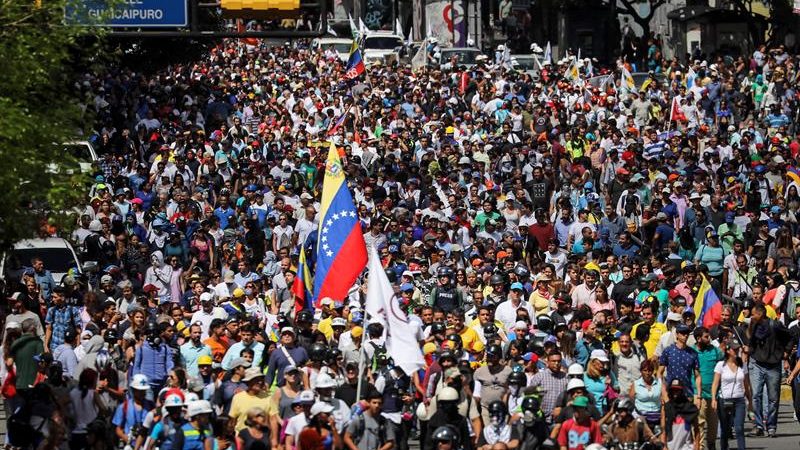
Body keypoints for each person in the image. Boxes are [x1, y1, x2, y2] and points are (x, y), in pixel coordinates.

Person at [711, 340, 752, 450]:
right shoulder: (721, 365)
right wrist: (714, 399)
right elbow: (715, 383)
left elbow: (747, 385)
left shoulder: (742, 365)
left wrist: (750, 403)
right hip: (724, 400)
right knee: (725, 429)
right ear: (728, 350)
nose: (737, 351)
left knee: (739, 428)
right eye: (734, 349)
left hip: (739, 400)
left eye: (738, 349)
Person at [228, 367, 279, 445]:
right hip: (242, 441)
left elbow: (273, 420)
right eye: (256, 379)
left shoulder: (268, 398)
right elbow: (232, 420)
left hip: (262, 441)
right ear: (248, 382)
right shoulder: (237, 398)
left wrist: (274, 439)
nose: (260, 382)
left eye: (261, 379)